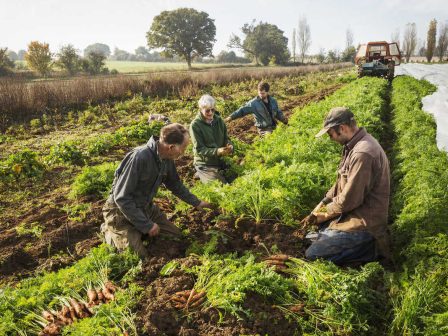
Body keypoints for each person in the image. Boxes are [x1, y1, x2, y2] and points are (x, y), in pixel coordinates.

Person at [101, 123, 213, 258]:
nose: (184, 152)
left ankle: (138, 232)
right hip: (120, 212)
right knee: (139, 256)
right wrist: (147, 225)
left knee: (176, 236)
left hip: (145, 207)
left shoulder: (167, 158)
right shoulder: (139, 157)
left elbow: (175, 184)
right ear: (171, 147)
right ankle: (110, 232)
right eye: (183, 148)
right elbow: (121, 198)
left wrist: (197, 203)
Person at [302, 107, 391, 266]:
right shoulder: (352, 146)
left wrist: (321, 214)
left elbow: (347, 201)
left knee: (313, 255)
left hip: (364, 225)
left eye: (330, 134)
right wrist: (320, 206)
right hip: (352, 213)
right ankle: (332, 235)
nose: (330, 139)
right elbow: (339, 184)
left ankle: (370, 250)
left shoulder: (363, 154)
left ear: (341, 128)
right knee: (316, 231)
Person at [189, 94, 234, 184]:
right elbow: (200, 149)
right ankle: (200, 172)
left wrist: (230, 145)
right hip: (205, 163)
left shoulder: (219, 121)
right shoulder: (195, 125)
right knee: (220, 186)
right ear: (201, 109)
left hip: (220, 161)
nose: (210, 113)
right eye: (207, 111)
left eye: (212, 110)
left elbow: (226, 138)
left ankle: (209, 173)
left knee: (237, 177)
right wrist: (217, 151)